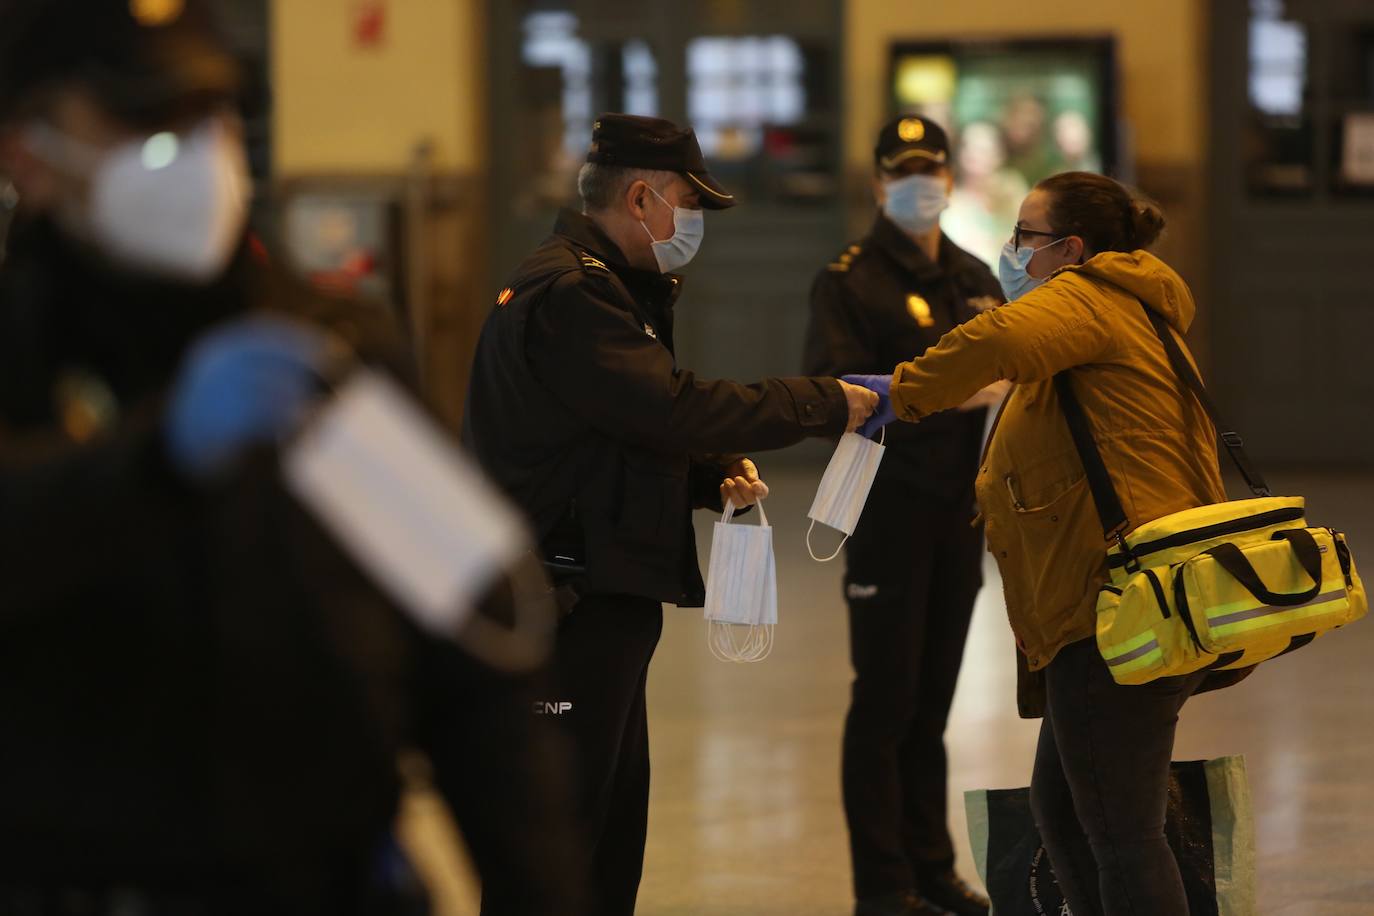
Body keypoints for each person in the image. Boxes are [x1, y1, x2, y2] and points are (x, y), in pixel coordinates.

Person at [0, 2, 580, 912]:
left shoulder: (328, 350)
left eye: (211, 117)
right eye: (146, 122)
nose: (194, 154)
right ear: (28, 153)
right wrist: (147, 464)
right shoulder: (17, 358)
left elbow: (475, 668)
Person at [463, 113, 879, 916]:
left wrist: (706, 475)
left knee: (608, 838)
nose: (694, 223)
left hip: (601, 597)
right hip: (564, 607)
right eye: (689, 202)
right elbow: (669, 408)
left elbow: (610, 432)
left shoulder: (605, 285)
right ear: (644, 196)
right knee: (554, 852)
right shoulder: (574, 294)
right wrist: (826, 402)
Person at [847, 171, 1236, 916]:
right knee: (1065, 813)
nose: (1012, 250)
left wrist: (899, 392)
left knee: (1122, 834)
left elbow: (995, 337)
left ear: (1071, 249)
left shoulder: (1088, 298)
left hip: (1114, 604)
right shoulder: (1128, 304)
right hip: (1116, 599)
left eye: (1025, 236)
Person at [804, 115, 1001, 916]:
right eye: (903, 172)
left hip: (962, 514)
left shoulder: (977, 274)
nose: (921, 185)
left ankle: (932, 868)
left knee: (934, 705)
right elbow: (832, 389)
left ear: (951, 179)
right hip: (887, 514)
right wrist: (953, 389)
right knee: (884, 702)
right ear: (879, 184)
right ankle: (882, 887)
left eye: (932, 170)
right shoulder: (848, 279)